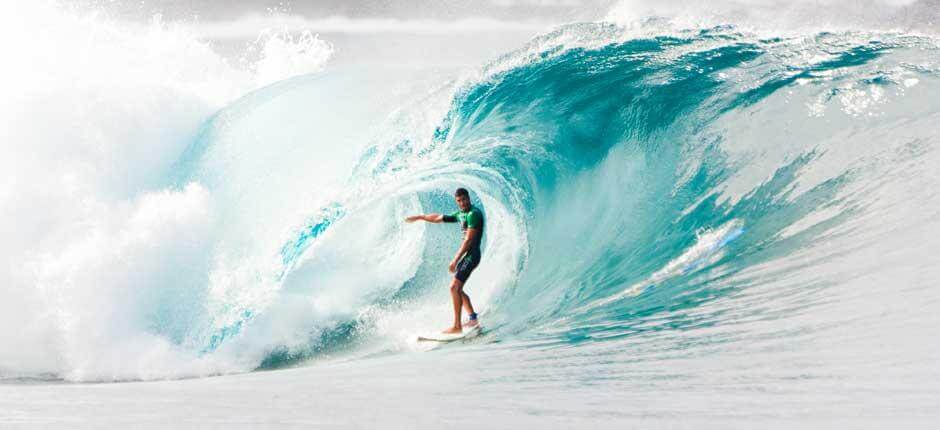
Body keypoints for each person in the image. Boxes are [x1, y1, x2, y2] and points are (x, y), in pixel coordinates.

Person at [405, 188, 484, 334]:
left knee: (454, 287)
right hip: (467, 256)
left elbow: (468, 240)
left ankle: (457, 326)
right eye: (459, 201)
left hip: (472, 255)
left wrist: (455, 259)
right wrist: (420, 217)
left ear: (469, 198)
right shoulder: (461, 214)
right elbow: (438, 218)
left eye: (464, 199)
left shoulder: (474, 214)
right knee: (457, 289)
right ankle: (473, 319)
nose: (462, 203)